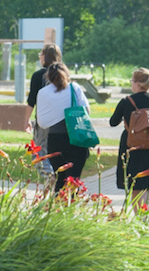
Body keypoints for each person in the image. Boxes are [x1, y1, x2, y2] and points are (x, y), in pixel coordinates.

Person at [110, 68, 149, 205]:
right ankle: (146, 217)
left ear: (137, 83)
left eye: (132, 81)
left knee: (135, 186)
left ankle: (138, 219)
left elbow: (112, 122)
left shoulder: (126, 101)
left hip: (131, 146)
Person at [34, 62, 92, 192]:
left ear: (48, 77)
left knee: (60, 180)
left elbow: (42, 121)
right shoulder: (74, 88)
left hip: (55, 140)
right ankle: (70, 208)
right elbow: (86, 111)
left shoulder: (43, 92)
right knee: (73, 180)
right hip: (76, 139)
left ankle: (57, 209)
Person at [27, 44, 63, 181]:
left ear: (45, 56)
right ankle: (57, 177)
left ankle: (49, 177)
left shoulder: (38, 75)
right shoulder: (63, 74)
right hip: (61, 121)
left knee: (39, 151)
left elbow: (31, 100)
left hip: (44, 120)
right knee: (56, 151)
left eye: (40, 54)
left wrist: (26, 120)